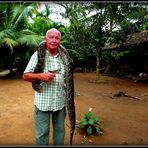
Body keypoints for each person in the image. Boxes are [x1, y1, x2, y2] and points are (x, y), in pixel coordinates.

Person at [23, 28, 72, 145]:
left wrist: (71, 98)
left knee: (60, 132)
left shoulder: (64, 57)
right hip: (42, 103)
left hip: (60, 102)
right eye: (51, 37)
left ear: (60, 40)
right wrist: (41, 76)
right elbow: (25, 76)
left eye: (57, 38)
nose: (54, 40)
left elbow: (68, 81)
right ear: (46, 39)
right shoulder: (37, 55)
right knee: (42, 134)